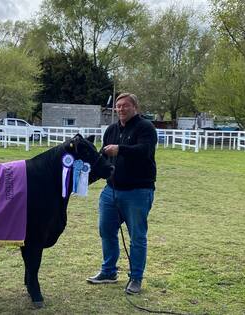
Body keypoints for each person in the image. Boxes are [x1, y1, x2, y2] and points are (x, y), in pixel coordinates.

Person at [86, 93, 157, 295]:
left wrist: (120, 150)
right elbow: (103, 159)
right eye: (118, 106)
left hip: (138, 192)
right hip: (111, 191)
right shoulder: (111, 130)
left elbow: (145, 151)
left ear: (135, 107)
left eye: (125, 106)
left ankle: (136, 278)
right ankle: (108, 271)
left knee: (137, 237)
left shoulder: (145, 127)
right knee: (106, 231)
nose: (121, 109)